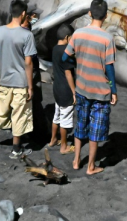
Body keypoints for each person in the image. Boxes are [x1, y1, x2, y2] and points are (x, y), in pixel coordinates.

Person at [63, 0, 117, 175]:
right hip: (100, 91)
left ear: (89, 13)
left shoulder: (78, 33)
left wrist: (79, 62)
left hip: (82, 88)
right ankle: (91, 166)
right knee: (95, 129)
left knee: (81, 125)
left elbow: (65, 57)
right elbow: (109, 68)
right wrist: (114, 90)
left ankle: (76, 160)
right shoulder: (107, 39)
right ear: (106, 16)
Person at [0, 0, 36, 159]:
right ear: (24, 13)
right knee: (19, 115)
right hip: (20, 82)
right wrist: (30, 86)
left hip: (4, 80)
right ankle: (16, 149)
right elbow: (28, 63)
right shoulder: (27, 35)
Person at [49, 23, 76, 154]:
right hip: (66, 90)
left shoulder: (55, 48)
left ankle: (53, 139)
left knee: (57, 116)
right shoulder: (66, 51)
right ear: (67, 37)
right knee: (65, 119)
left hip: (57, 88)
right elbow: (68, 73)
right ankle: (64, 146)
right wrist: (74, 92)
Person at [21, 11, 46, 145]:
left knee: (29, 105)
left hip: (26, 73)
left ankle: (31, 132)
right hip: (29, 73)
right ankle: (36, 133)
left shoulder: (22, 34)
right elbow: (29, 62)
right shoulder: (27, 36)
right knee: (33, 103)